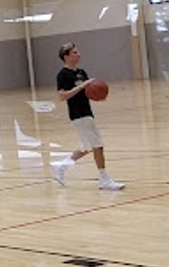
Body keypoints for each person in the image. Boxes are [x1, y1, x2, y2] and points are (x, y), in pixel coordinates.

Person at [51, 42, 125, 190]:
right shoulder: (63, 75)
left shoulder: (81, 72)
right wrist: (82, 86)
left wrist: (98, 96)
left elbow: (87, 92)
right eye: (74, 53)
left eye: (78, 52)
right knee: (98, 145)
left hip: (87, 112)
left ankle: (61, 166)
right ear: (66, 56)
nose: (78, 54)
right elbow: (62, 96)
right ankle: (104, 179)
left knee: (87, 147)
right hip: (77, 115)